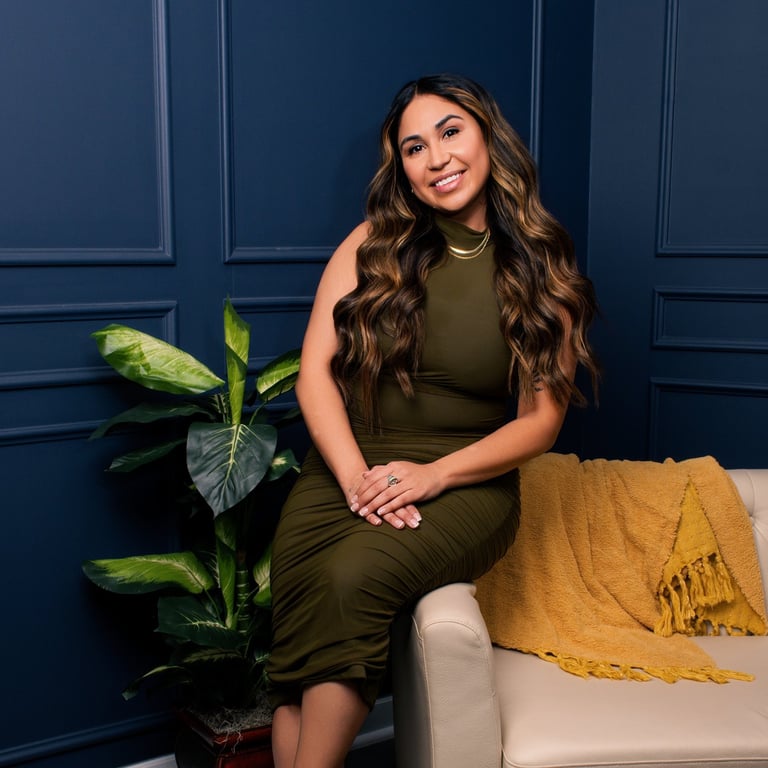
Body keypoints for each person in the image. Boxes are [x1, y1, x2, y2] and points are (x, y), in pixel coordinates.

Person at [267, 73, 600, 768]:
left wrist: (431, 476)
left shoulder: (542, 269)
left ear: (487, 137)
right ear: (404, 171)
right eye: (414, 148)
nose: (437, 157)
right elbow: (314, 378)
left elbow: (540, 424)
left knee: (354, 578)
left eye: (451, 132)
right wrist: (361, 481)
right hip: (344, 470)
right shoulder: (371, 245)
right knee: (302, 627)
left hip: (466, 482)